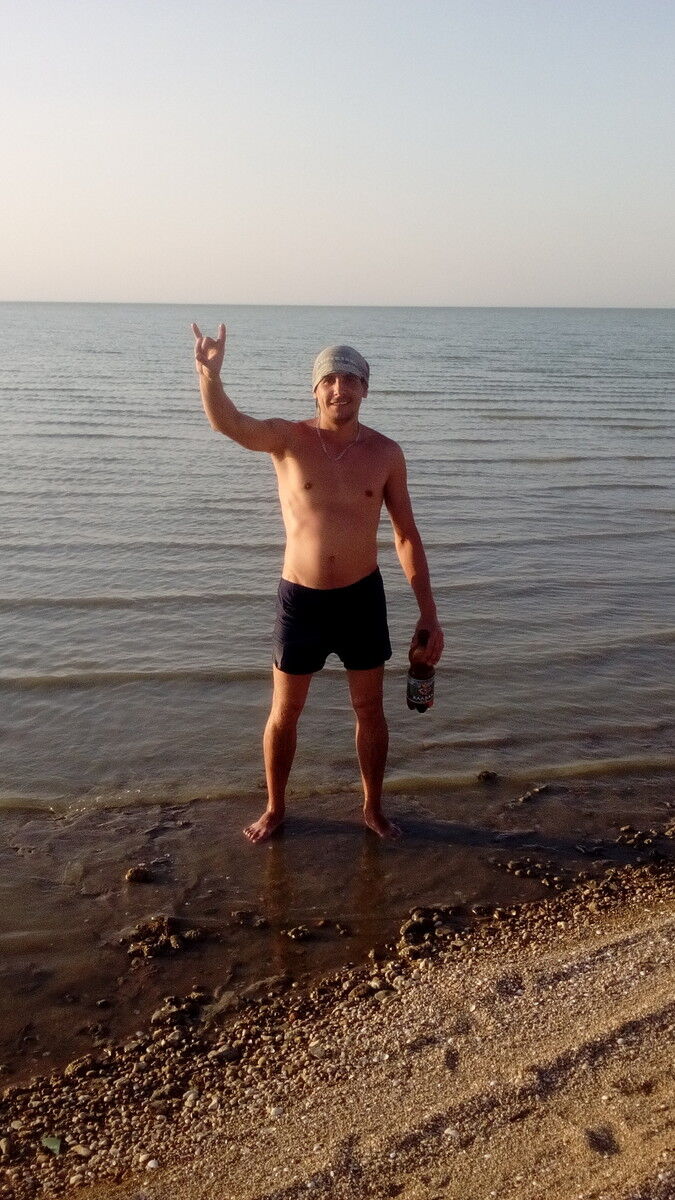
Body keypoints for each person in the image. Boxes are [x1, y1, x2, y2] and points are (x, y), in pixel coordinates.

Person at [192, 323, 444, 842]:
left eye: (350, 379)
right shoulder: (289, 440)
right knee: (285, 711)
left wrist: (428, 611)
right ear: (315, 390)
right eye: (329, 379)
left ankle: (373, 808)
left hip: (361, 598)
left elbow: (405, 535)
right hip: (301, 600)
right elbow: (230, 424)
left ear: (365, 389)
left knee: (369, 709)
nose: (339, 388)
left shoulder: (386, 454)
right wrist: (210, 377)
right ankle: (275, 808)